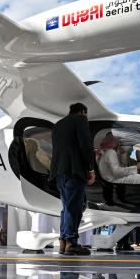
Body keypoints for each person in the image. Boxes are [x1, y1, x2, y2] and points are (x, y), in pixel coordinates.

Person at [50, 103, 95, 256]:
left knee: (66, 207)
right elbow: (85, 145)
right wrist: (91, 169)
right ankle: (71, 243)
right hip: (74, 171)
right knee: (73, 207)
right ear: (83, 111)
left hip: (59, 171)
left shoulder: (58, 125)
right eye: (86, 114)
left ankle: (63, 241)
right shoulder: (80, 120)